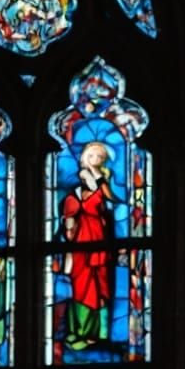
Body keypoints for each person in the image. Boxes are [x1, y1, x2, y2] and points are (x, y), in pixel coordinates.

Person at [60, 141, 115, 352]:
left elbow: (110, 199)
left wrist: (98, 178)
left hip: (99, 243)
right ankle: (79, 332)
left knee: (100, 288)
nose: (96, 161)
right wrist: (70, 230)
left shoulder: (102, 185)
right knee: (82, 289)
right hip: (81, 246)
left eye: (100, 158)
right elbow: (70, 219)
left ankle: (97, 334)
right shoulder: (74, 195)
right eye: (92, 156)